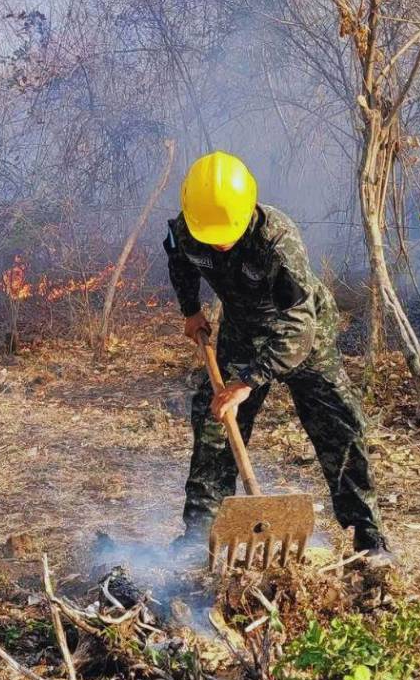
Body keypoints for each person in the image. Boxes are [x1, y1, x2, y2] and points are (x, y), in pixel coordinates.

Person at [165, 151, 394, 566]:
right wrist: (190, 309)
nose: (219, 242)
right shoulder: (192, 226)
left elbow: (298, 327)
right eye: (211, 235)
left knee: (340, 427)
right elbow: (180, 261)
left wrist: (246, 383)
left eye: (227, 234)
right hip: (241, 333)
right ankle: (200, 536)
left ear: (247, 208)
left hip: (302, 337)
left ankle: (369, 538)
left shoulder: (276, 241)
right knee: (214, 422)